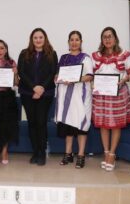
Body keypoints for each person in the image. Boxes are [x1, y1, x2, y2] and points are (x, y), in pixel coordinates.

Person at [91, 27, 130, 171]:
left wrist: (124, 80)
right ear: (102, 40)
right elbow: (91, 74)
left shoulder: (125, 55)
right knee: (103, 124)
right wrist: (92, 83)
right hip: (101, 96)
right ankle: (105, 152)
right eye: (105, 37)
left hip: (118, 95)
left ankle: (112, 154)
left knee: (116, 125)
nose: (108, 39)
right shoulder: (95, 56)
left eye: (110, 36)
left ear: (115, 38)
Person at [18, 28, 58, 166]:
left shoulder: (52, 54)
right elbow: (21, 72)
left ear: (45, 38)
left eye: (41, 37)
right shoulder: (24, 53)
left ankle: (42, 153)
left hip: (45, 93)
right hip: (27, 93)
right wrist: (33, 87)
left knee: (41, 122)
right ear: (32, 39)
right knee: (32, 122)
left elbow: (53, 72)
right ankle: (35, 152)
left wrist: (41, 88)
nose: (38, 40)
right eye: (35, 38)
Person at [55, 31, 93, 169]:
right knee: (68, 126)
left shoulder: (86, 58)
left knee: (81, 125)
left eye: (77, 40)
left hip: (80, 96)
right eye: (72, 39)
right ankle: (68, 153)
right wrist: (58, 78)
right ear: (68, 42)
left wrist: (74, 79)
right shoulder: (63, 58)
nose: (74, 42)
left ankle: (81, 155)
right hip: (65, 96)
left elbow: (89, 76)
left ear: (81, 42)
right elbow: (58, 75)